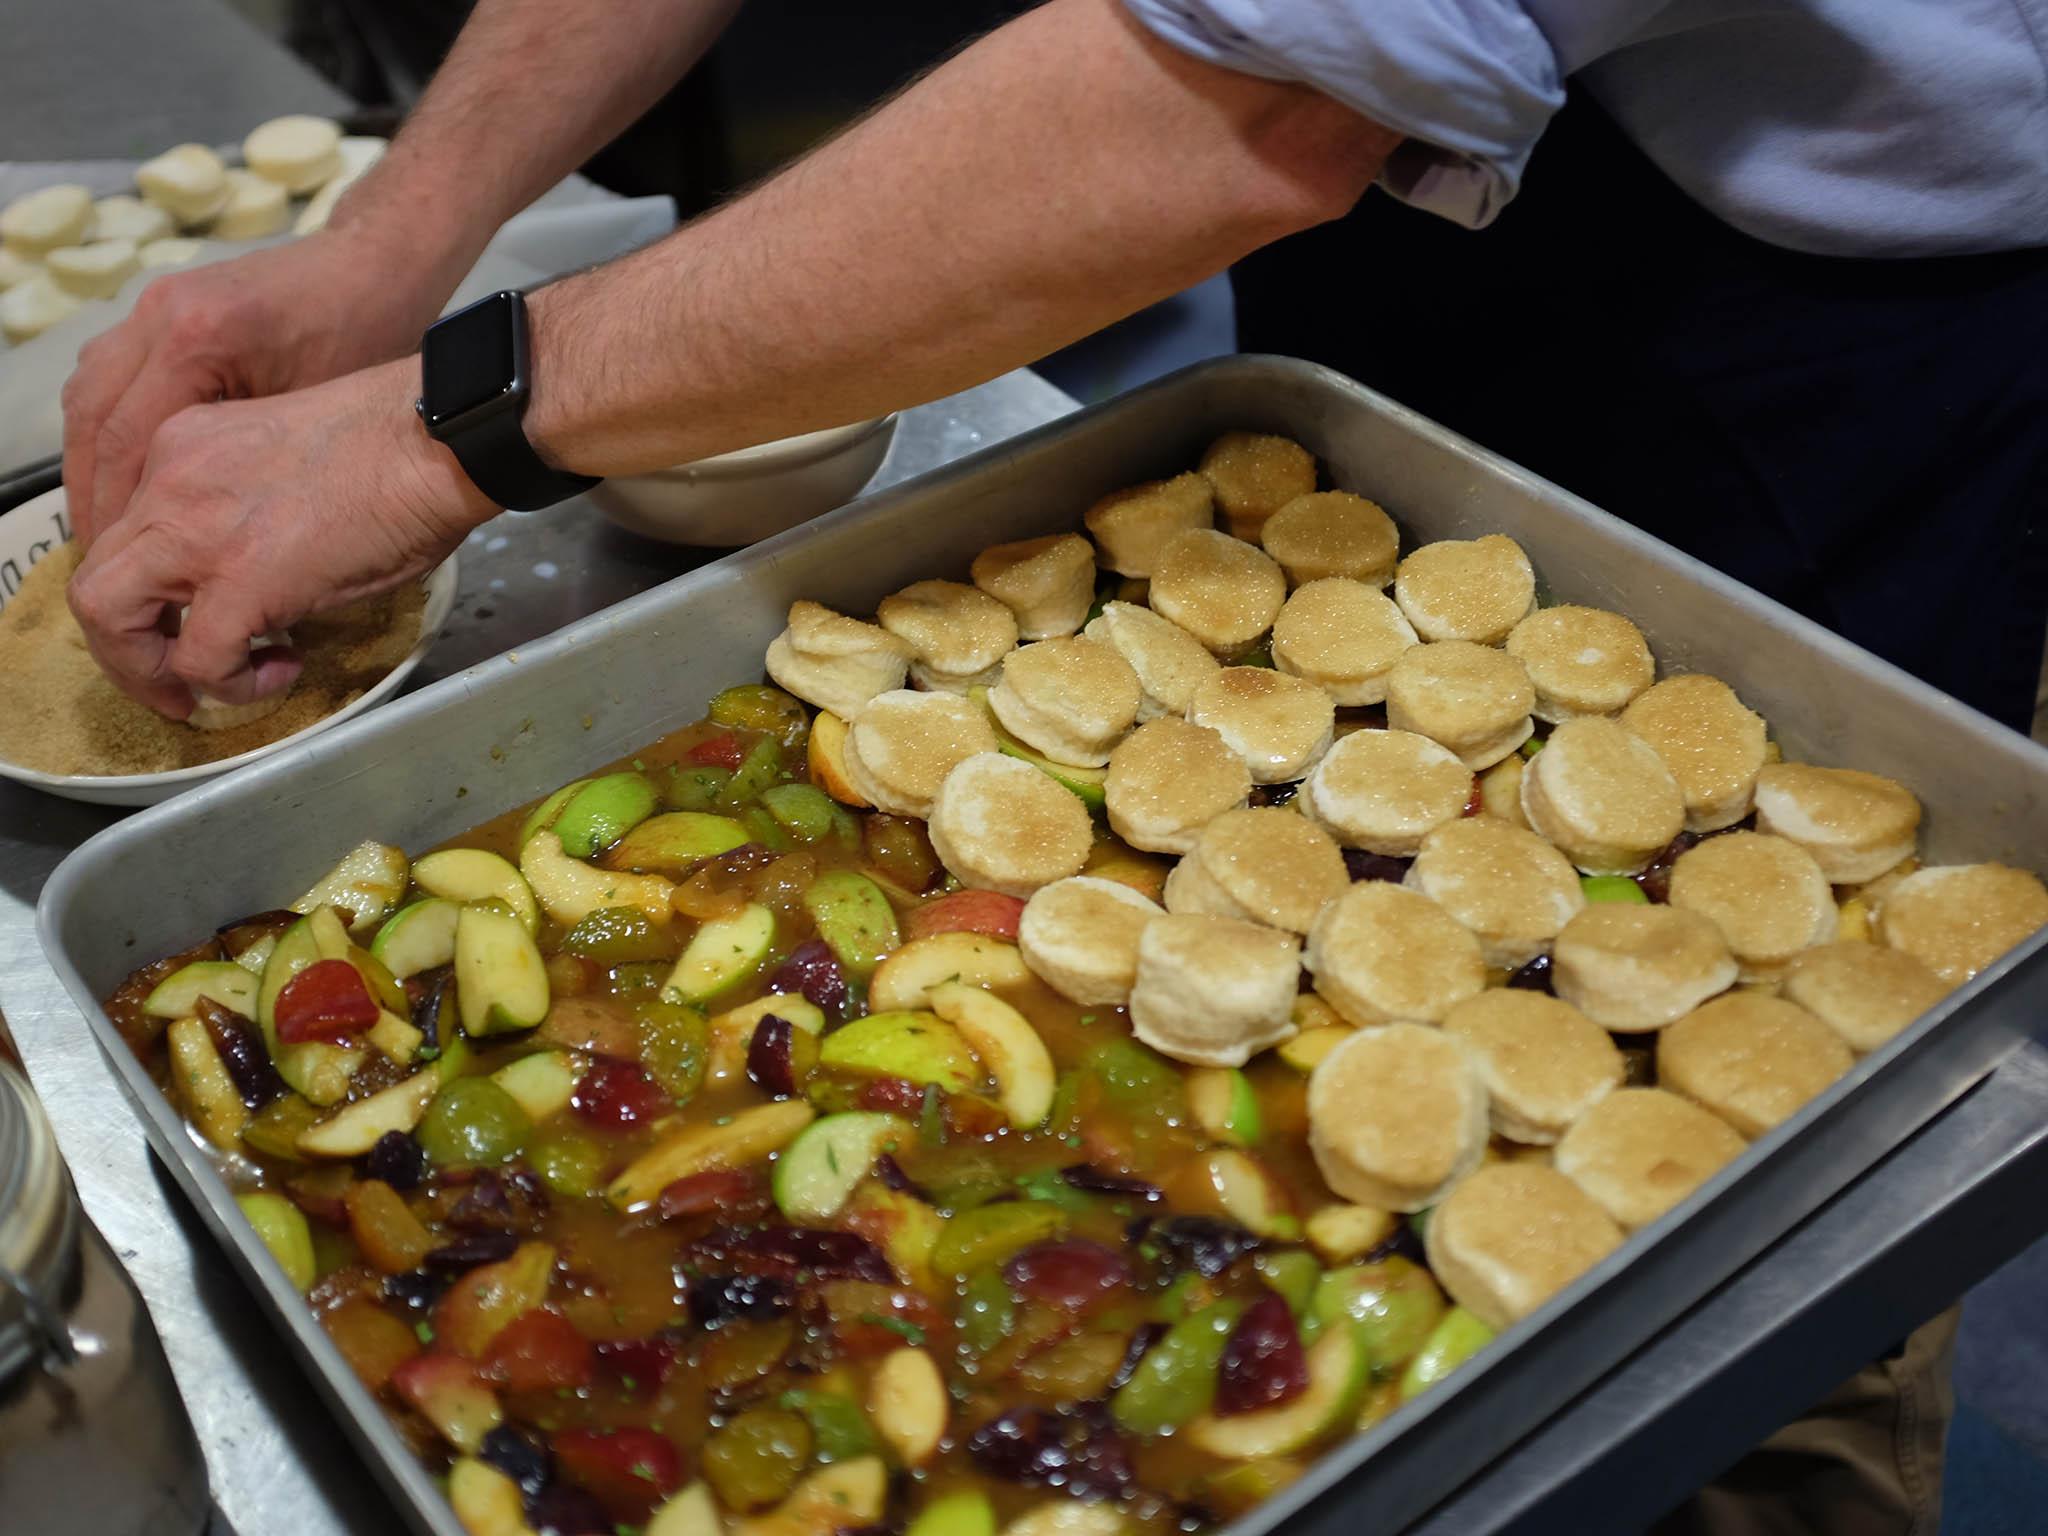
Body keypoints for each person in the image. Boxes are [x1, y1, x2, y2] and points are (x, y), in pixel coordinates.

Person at [55, 3, 2044, 1520]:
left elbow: (1263, 101)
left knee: (1777, 1201)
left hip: (1815, 310)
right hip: (1404, 191)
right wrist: (397, 244)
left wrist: (440, 430)